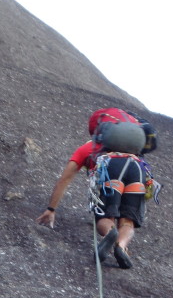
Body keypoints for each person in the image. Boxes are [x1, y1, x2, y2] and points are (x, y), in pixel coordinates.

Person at [36, 109, 157, 269]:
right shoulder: (133, 148)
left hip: (111, 168)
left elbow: (65, 178)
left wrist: (51, 209)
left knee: (105, 217)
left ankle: (110, 233)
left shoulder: (87, 149)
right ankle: (121, 246)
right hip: (137, 168)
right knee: (128, 221)